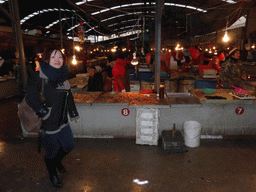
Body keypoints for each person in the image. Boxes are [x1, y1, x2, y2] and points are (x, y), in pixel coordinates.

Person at [25, 47, 79, 188]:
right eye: (53, 57)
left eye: (60, 57)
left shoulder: (63, 77)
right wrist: (43, 112)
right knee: (51, 151)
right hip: (49, 123)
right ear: (47, 59)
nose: (57, 60)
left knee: (69, 145)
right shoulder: (39, 77)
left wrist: (73, 113)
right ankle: (53, 174)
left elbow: (69, 97)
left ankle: (57, 161)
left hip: (62, 120)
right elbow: (30, 97)